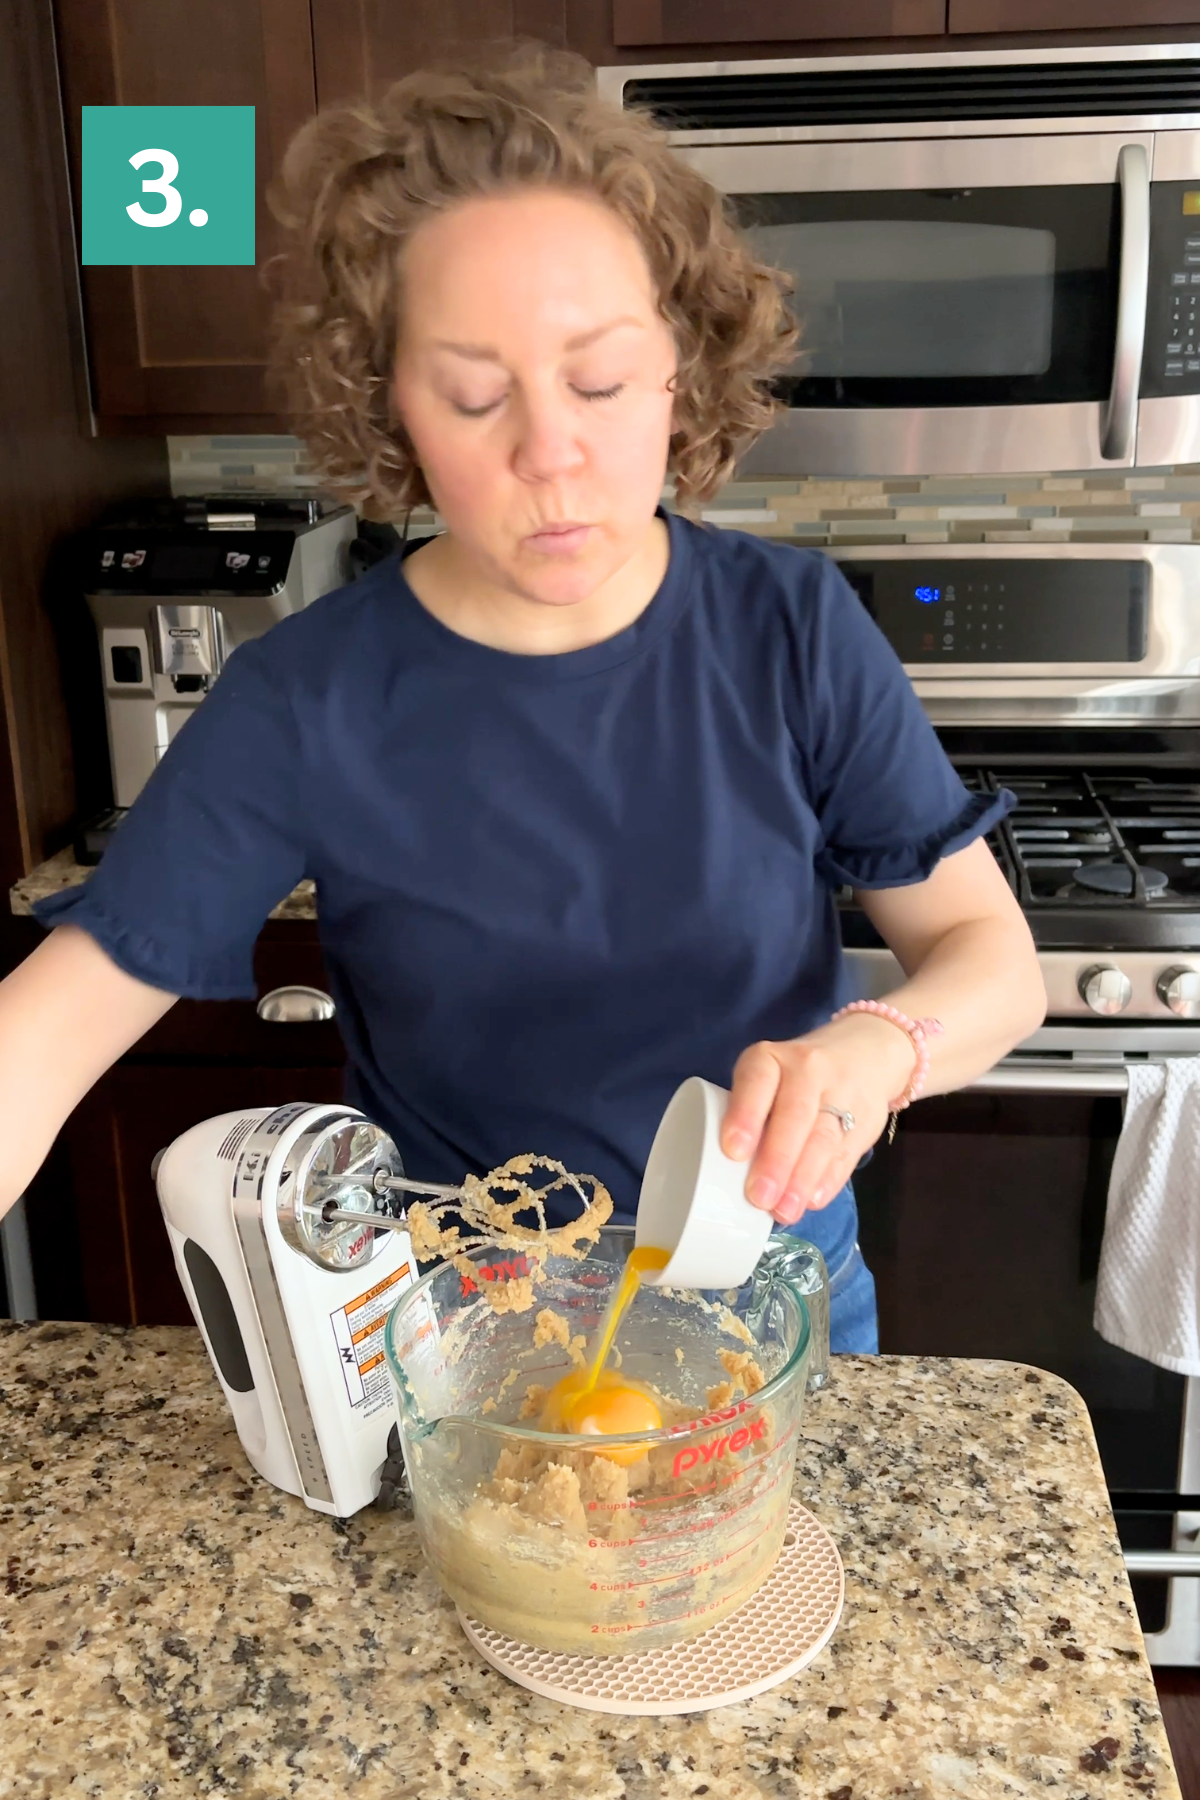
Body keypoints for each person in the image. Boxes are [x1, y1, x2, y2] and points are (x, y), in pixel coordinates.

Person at [2, 47, 1045, 1353]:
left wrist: (877, 1048)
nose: (550, 451)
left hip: (771, 1309)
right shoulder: (304, 699)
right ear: (392, 406)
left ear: (682, 367)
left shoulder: (791, 630)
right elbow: (36, 1043)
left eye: (600, 382)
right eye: (476, 394)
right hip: (466, 1337)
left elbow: (994, 963)